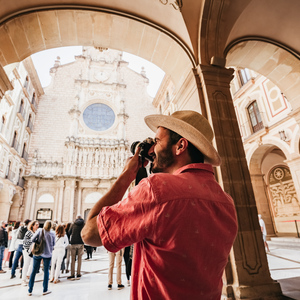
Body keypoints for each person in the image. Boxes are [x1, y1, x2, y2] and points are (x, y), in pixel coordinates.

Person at [82, 110, 238, 300]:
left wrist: (126, 176)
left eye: (157, 141)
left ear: (180, 146)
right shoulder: (226, 201)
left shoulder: (156, 189)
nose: (152, 149)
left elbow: (89, 234)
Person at [28, 220, 55, 296]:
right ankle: (45, 290)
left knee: (33, 271)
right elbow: (53, 244)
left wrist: (38, 241)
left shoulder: (40, 230)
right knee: (46, 271)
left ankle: (30, 290)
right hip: (47, 254)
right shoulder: (52, 233)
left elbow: (32, 239)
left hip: (38, 253)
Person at [22, 220, 39, 286]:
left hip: (33, 251)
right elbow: (25, 242)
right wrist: (33, 242)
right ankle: (23, 279)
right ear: (32, 226)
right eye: (36, 225)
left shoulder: (36, 232)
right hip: (27, 251)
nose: (37, 226)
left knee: (33, 264)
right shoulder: (29, 232)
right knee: (26, 264)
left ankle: (28, 275)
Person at [67, 215, 85, 280]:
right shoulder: (83, 224)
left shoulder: (73, 224)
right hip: (80, 243)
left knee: (73, 259)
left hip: (73, 242)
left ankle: (72, 274)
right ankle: (78, 273)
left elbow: (69, 232)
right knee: (80, 259)